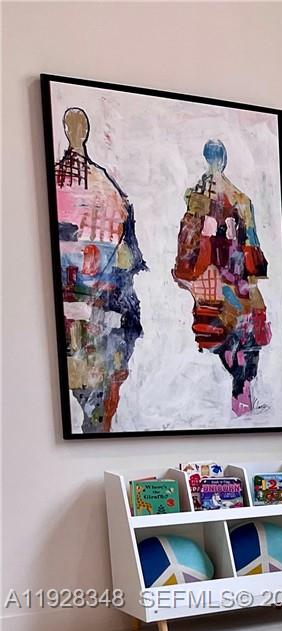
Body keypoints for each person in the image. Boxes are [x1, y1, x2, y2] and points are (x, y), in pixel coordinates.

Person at [53, 106, 145, 434]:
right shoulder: (105, 187)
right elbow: (128, 258)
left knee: (92, 383)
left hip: (87, 302)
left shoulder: (75, 183)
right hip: (97, 301)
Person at [172, 139, 272, 416]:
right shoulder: (239, 199)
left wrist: (192, 281)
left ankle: (241, 393)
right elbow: (251, 243)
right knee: (249, 334)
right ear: (224, 159)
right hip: (233, 282)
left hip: (206, 284)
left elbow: (186, 248)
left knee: (230, 336)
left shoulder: (194, 197)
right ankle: (242, 394)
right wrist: (250, 277)